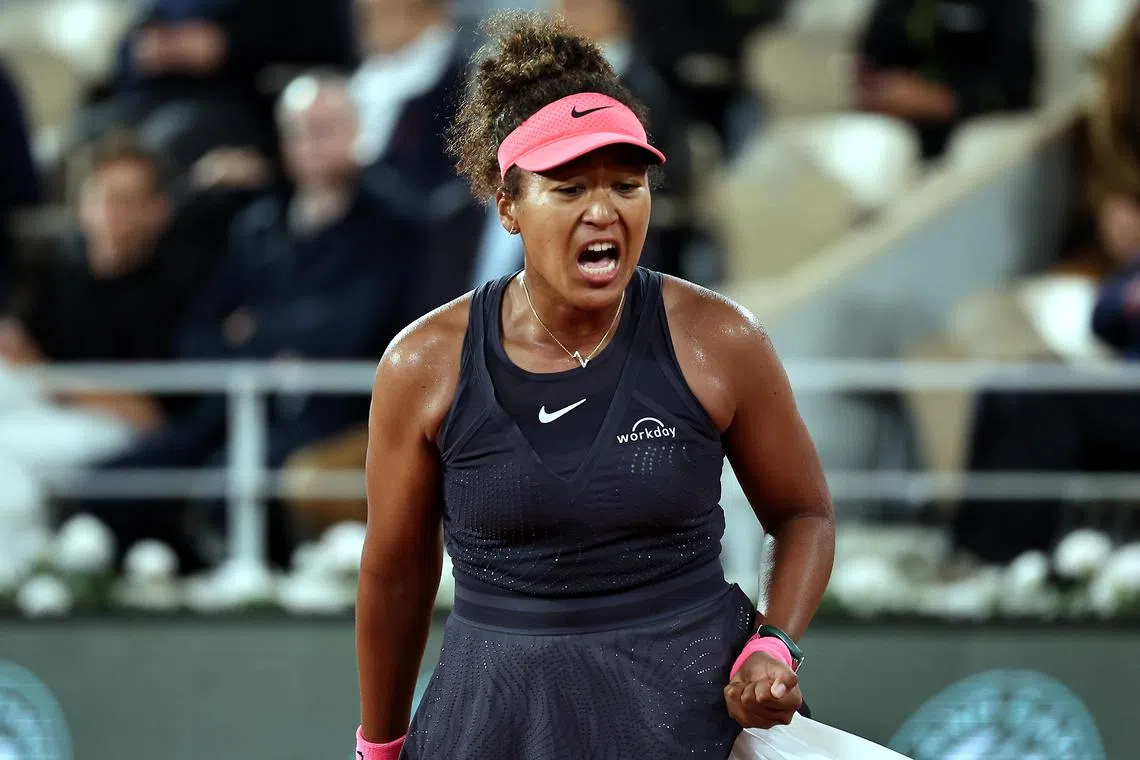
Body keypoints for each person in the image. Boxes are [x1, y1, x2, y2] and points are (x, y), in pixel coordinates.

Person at [354, 12, 835, 759]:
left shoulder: (721, 339)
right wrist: (379, 749)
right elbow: (396, 575)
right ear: (508, 204)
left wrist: (773, 645)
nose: (604, 209)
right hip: (496, 722)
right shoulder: (421, 364)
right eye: (570, 187)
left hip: (694, 718)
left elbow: (804, 514)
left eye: (626, 184)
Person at [855, 0, 1038, 159]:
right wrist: (880, 92)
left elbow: (1015, 88)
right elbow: (870, 62)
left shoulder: (1007, 6)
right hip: (898, 124)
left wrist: (934, 100)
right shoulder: (899, 6)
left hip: (973, 127)